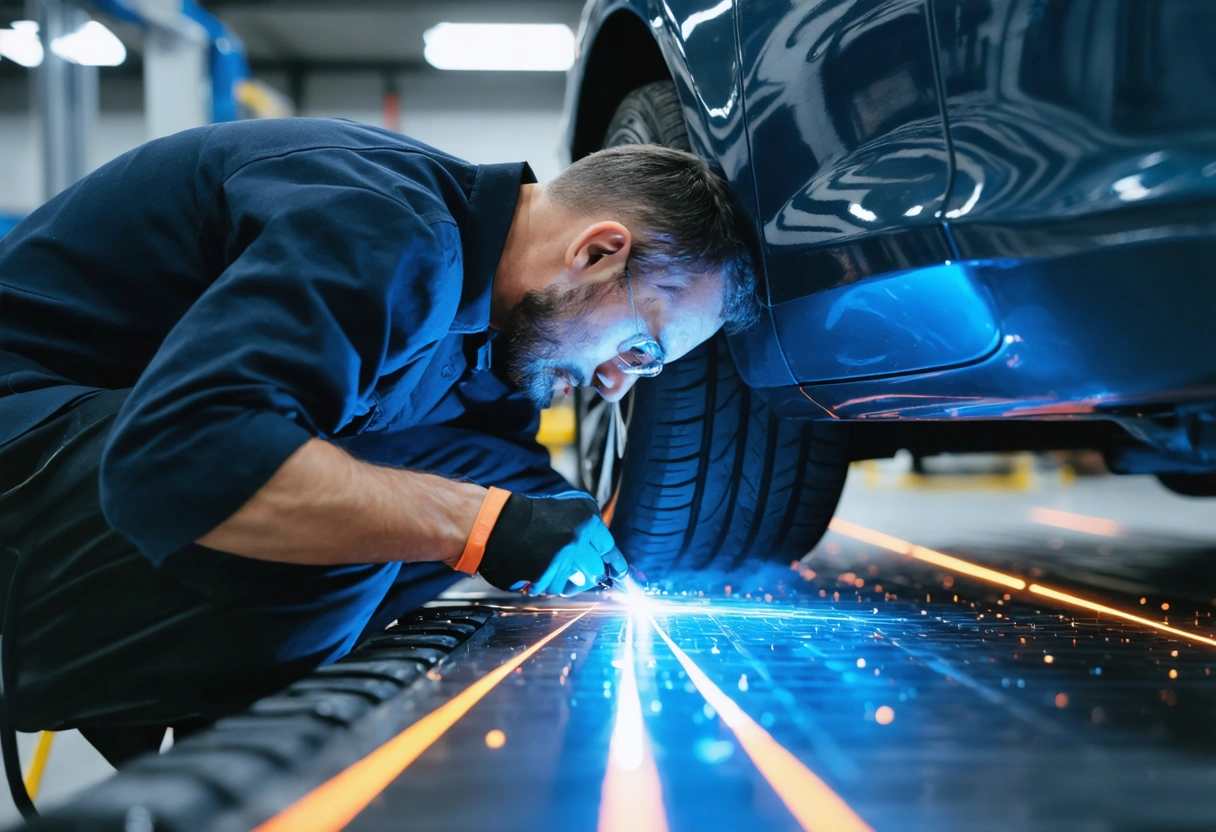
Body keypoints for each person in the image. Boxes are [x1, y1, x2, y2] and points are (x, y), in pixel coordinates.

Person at [0, 118, 757, 763]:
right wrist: (471, 524)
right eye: (640, 349)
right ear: (596, 252)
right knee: (411, 508)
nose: (616, 386)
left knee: (494, 488)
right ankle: (236, 749)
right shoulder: (390, 233)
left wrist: (558, 526)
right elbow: (184, 453)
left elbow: (498, 471)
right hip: (28, 445)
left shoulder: (495, 323)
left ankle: (226, 679)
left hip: (99, 451)